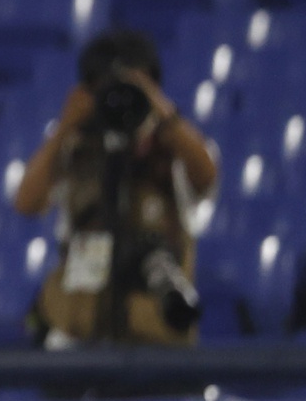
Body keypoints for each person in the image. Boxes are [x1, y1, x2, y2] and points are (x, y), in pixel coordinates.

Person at [12, 27, 219, 347]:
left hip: (156, 339)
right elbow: (26, 202)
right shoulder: (74, 149)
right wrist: (66, 127)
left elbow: (207, 174)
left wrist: (159, 111)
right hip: (79, 334)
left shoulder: (173, 152)